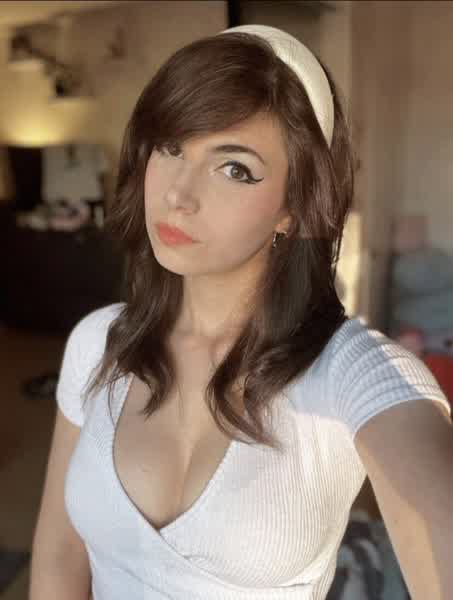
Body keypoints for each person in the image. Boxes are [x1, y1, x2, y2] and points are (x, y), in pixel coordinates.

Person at [29, 24, 452, 600]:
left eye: (233, 168)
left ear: (293, 207)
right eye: (171, 147)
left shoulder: (353, 374)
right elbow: (60, 556)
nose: (178, 194)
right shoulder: (96, 342)